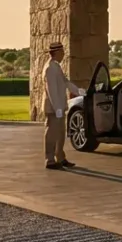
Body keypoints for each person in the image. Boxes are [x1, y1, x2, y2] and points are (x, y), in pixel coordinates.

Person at [41, 41, 81, 170]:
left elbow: (65, 82)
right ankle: (50, 159)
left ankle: (60, 157)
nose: (63, 54)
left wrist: (79, 91)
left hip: (58, 108)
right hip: (53, 108)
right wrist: (57, 108)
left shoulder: (56, 66)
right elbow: (51, 90)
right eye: (62, 52)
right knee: (52, 134)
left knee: (60, 134)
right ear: (56, 52)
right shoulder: (49, 68)